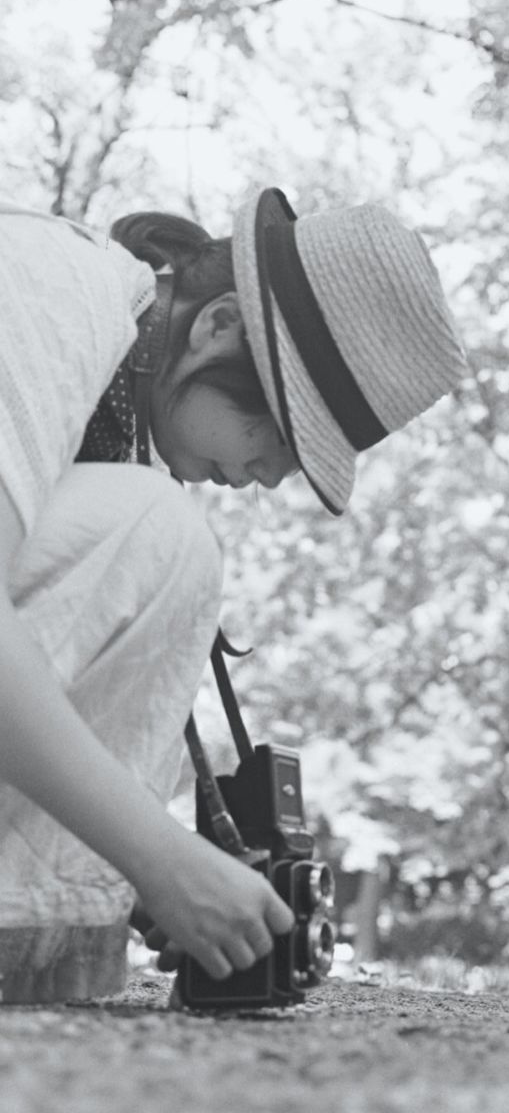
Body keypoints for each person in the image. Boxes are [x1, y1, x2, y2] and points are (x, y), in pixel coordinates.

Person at [0, 187, 467, 1001]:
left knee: (159, 545)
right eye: (277, 437)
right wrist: (160, 857)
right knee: (157, 533)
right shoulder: (50, 284)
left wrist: (137, 878)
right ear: (218, 326)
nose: (265, 481)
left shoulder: (123, 431)